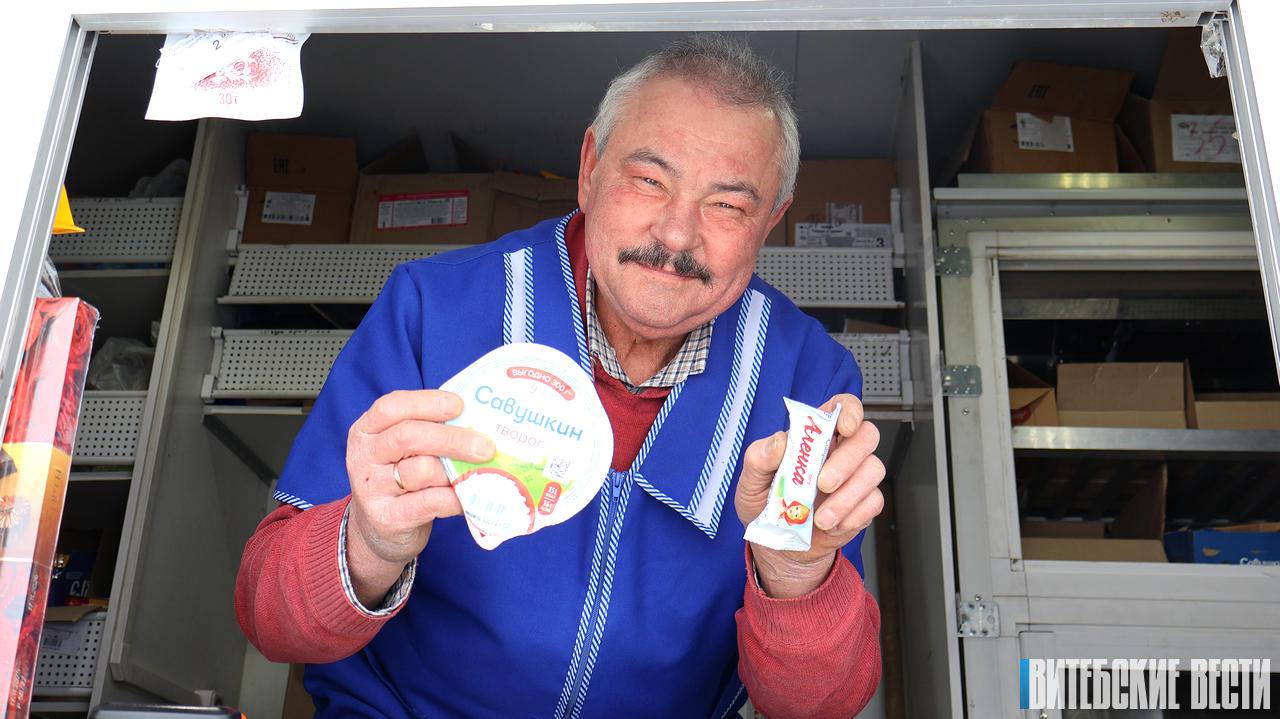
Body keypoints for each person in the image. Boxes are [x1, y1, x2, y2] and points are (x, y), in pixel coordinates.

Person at [236, 34, 884, 718]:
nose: (676, 235)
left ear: (771, 220)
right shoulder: (434, 311)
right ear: (590, 168)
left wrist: (797, 573)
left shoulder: (807, 380)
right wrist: (367, 545)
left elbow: (819, 708)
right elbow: (269, 622)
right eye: (649, 180)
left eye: (727, 205)